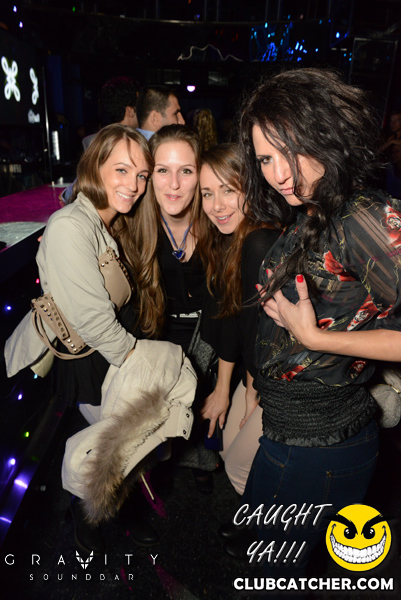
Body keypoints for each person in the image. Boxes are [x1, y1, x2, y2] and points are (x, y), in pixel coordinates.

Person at [237, 67, 401, 586]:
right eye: (265, 158)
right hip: (290, 430)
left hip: (319, 441)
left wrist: (314, 337)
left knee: (273, 580)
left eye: (290, 151)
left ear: (327, 135)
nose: (278, 173)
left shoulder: (363, 215)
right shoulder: (315, 209)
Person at [5, 124, 156, 554]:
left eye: (142, 175)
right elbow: (93, 321)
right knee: (120, 444)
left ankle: (107, 507)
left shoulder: (104, 219)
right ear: (94, 167)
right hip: (92, 357)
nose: (135, 185)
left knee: (122, 445)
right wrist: (143, 364)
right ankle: (86, 510)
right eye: (122, 170)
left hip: (108, 352)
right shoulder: (70, 225)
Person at [132, 124, 217, 492]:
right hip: (158, 336)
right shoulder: (135, 226)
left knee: (205, 413)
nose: (174, 184)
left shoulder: (217, 219)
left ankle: (201, 461)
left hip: (210, 335)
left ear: (201, 174)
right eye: (162, 170)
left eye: (186, 170)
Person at [197, 143, 280, 498]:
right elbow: (230, 319)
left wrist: (250, 392)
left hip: (281, 378)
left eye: (228, 190)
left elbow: (257, 330)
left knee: (238, 467)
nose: (217, 205)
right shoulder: (227, 239)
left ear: (250, 188)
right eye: (207, 193)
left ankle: (278, 528)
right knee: (229, 452)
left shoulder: (260, 241)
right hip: (255, 369)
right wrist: (222, 389)